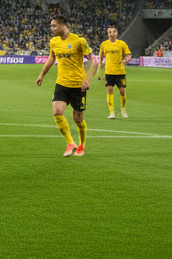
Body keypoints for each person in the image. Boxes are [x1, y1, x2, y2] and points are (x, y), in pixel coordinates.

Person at [35, 16, 92, 157]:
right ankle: (70, 142)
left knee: (78, 119)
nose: (51, 29)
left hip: (78, 85)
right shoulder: (53, 42)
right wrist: (42, 74)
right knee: (57, 111)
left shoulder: (79, 41)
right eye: (51, 26)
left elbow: (94, 60)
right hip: (61, 83)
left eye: (54, 26)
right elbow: (52, 58)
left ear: (62, 25)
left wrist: (87, 79)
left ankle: (82, 144)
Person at [93, 24, 131, 119]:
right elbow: (100, 59)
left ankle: (123, 109)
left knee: (122, 91)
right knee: (109, 91)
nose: (112, 34)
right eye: (110, 32)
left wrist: (125, 60)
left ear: (117, 33)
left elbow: (128, 55)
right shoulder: (104, 44)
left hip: (120, 72)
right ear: (107, 33)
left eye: (114, 31)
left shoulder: (122, 44)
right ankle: (112, 113)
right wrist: (98, 73)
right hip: (109, 72)